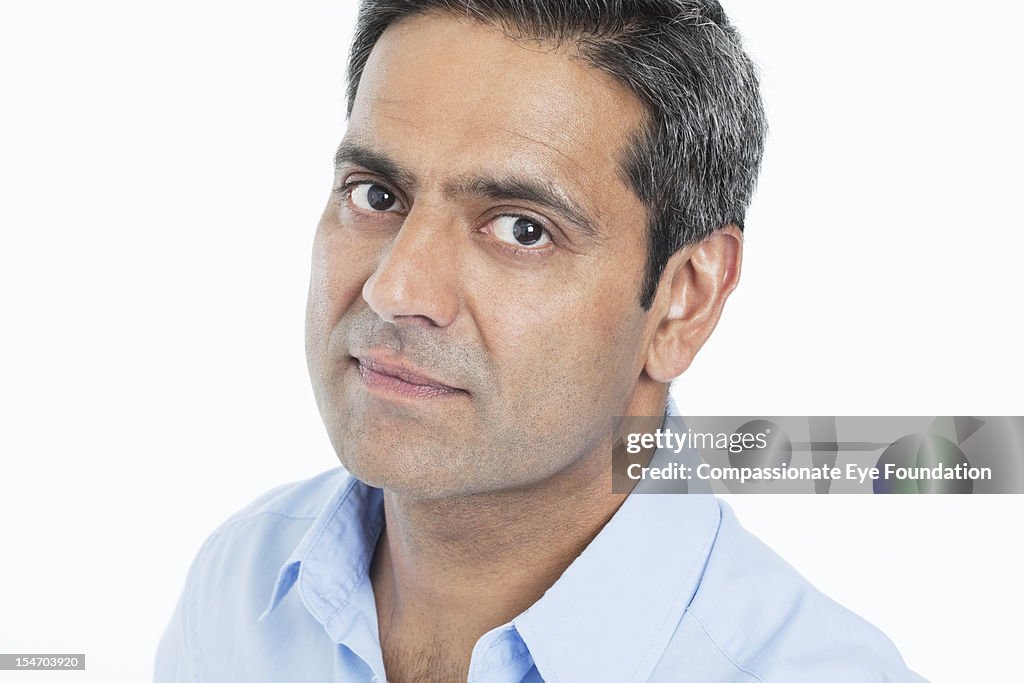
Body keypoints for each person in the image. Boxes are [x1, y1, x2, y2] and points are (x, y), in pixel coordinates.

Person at [156, 1, 927, 681]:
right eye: (377, 195)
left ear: (682, 302)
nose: (396, 290)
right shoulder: (236, 596)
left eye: (522, 228)